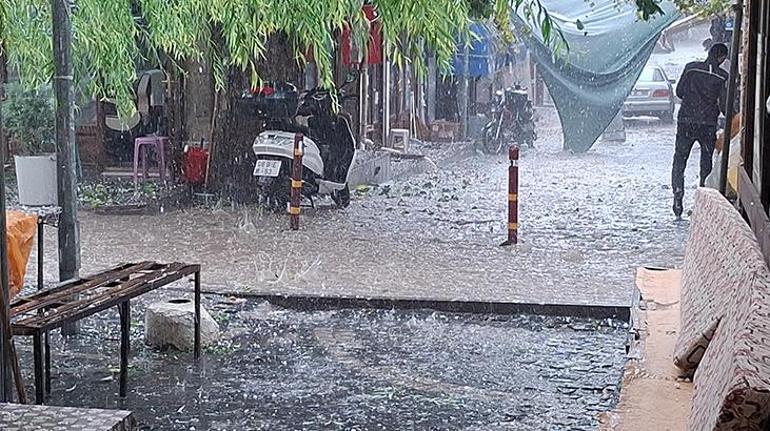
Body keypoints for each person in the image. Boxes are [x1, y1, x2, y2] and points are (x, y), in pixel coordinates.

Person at [671, 43, 729, 218]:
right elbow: (725, 105)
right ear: (722, 58)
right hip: (708, 124)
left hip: (686, 120)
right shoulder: (722, 77)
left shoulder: (691, 69)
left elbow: (680, 92)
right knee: (706, 161)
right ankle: (703, 195)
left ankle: (678, 194)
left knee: (680, 159)